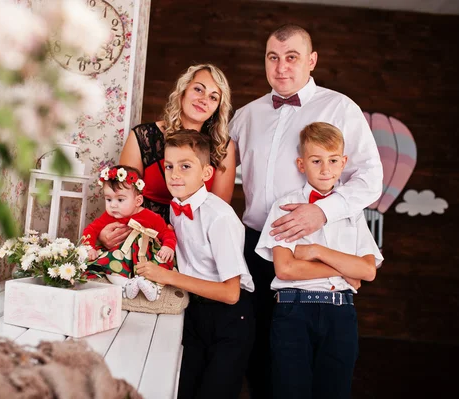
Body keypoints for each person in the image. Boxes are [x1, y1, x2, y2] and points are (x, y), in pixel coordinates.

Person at [229, 24, 383, 398]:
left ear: (311, 61)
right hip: (254, 245)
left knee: (323, 362)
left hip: (312, 246)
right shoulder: (247, 116)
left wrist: (323, 212)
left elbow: (371, 178)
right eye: (273, 57)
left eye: (292, 57)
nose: (281, 67)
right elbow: (218, 173)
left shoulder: (339, 108)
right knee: (261, 352)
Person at [255, 122, 383, 398]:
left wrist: (316, 252)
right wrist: (344, 270)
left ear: (343, 163)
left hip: (340, 314)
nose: (325, 169)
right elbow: (286, 268)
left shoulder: (353, 211)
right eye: (316, 161)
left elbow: (368, 271)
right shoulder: (284, 207)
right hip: (293, 312)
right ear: (302, 164)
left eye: (333, 160)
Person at [135, 129, 254, 399]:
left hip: (230, 318)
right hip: (194, 311)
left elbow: (230, 293)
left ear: (206, 173)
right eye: (169, 166)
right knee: (184, 389)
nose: (175, 174)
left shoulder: (219, 217)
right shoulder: (177, 207)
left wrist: (168, 277)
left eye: (185, 166)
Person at [98, 64, 235, 249]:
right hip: (141, 238)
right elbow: (121, 198)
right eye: (198, 89)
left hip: (194, 246)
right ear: (183, 91)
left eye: (213, 97)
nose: (204, 100)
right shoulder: (143, 136)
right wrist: (104, 233)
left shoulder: (222, 147)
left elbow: (218, 211)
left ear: (218, 107)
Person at [82, 165, 177, 301]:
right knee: (109, 265)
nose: (113, 205)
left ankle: (152, 287)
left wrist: (168, 246)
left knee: (161, 261)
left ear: (138, 201)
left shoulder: (151, 217)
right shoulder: (108, 217)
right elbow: (91, 230)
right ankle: (126, 285)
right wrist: (89, 247)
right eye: (108, 199)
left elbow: (165, 232)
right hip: (120, 257)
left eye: (120, 200)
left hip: (144, 258)